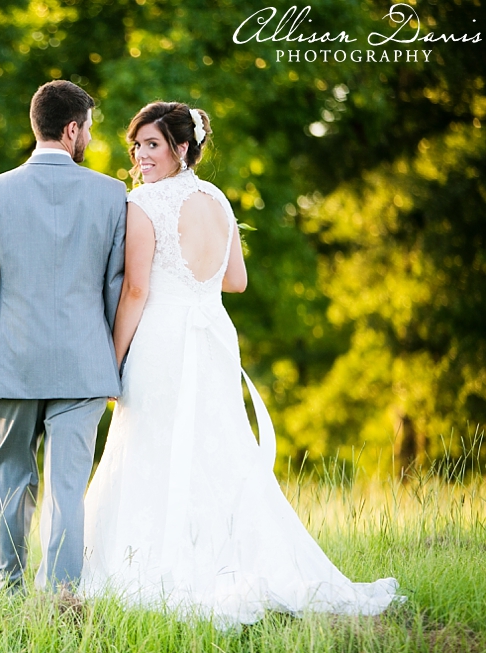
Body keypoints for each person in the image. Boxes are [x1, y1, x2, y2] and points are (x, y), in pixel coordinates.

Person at [81, 101, 401, 626]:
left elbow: (136, 289)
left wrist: (109, 363)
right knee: (218, 447)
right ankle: (235, 559)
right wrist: (195, 283)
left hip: (164, 340)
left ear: (182, 147)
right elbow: (237, 281)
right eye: (136, 144)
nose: (140, 155)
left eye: (153, 144)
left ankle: (156, 566)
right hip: (212, 338)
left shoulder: (144, 203)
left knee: (153, 448)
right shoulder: (219, 199)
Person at [0, 80, 127, 595]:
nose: (90, 139)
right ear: (72, 128)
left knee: (11, 484)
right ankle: (61, 598)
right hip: (84, 365)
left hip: (12, 365)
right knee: (67, 490)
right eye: (90, 130)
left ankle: (8, 593)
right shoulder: (111, 193)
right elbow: (116, 288)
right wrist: (111, 362)